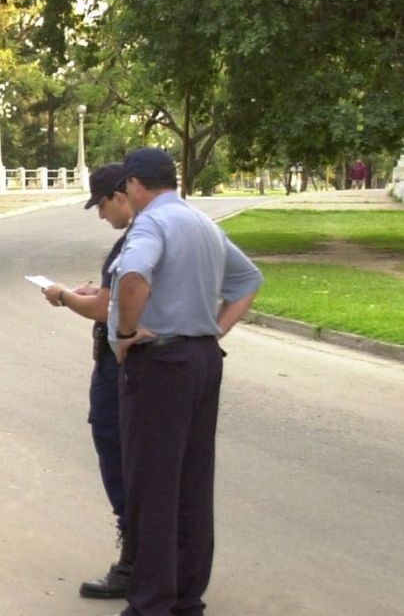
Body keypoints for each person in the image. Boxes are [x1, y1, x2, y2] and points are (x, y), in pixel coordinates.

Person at [106, 148, 264, 616]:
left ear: (134, 185)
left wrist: (126, 333)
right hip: (201, 358)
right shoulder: (203, 224)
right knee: (192, 482)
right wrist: (214, 328)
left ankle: (151, 603)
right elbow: (248, 280)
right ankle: (185, 598)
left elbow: (133, 276)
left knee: (152, 487)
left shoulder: (152, 224)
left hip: (161, 363)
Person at [39, 163, 136, 599]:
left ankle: (133, 559)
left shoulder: (137, 241)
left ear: (120, 195)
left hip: (120, 364)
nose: (100, 215)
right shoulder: (145, 238)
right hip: (130, 359)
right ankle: (148, 554)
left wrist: (63, 297)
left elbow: (107, 311)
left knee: (117, 451)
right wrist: (89, 294)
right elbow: (109, 299)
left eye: (101, 204)